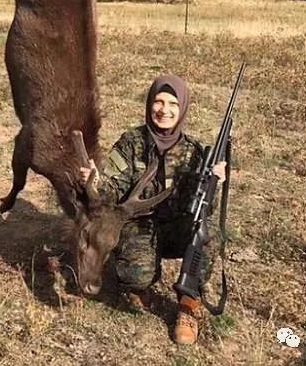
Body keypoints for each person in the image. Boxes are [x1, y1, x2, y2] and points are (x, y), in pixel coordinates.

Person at [80, 74, 226, 346]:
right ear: (149, 104)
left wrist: (215, 182)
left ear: (182, 108)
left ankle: (188, 304)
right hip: (140, 227)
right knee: (135, 276)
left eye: (173, 104)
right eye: (158, 101)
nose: (164, 110)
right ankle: (139, 287)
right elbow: (111, 188)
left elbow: (207, 207)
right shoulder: (131, 142)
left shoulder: (195, 152)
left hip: (177, 227)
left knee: (210, 234)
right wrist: (94, 181)